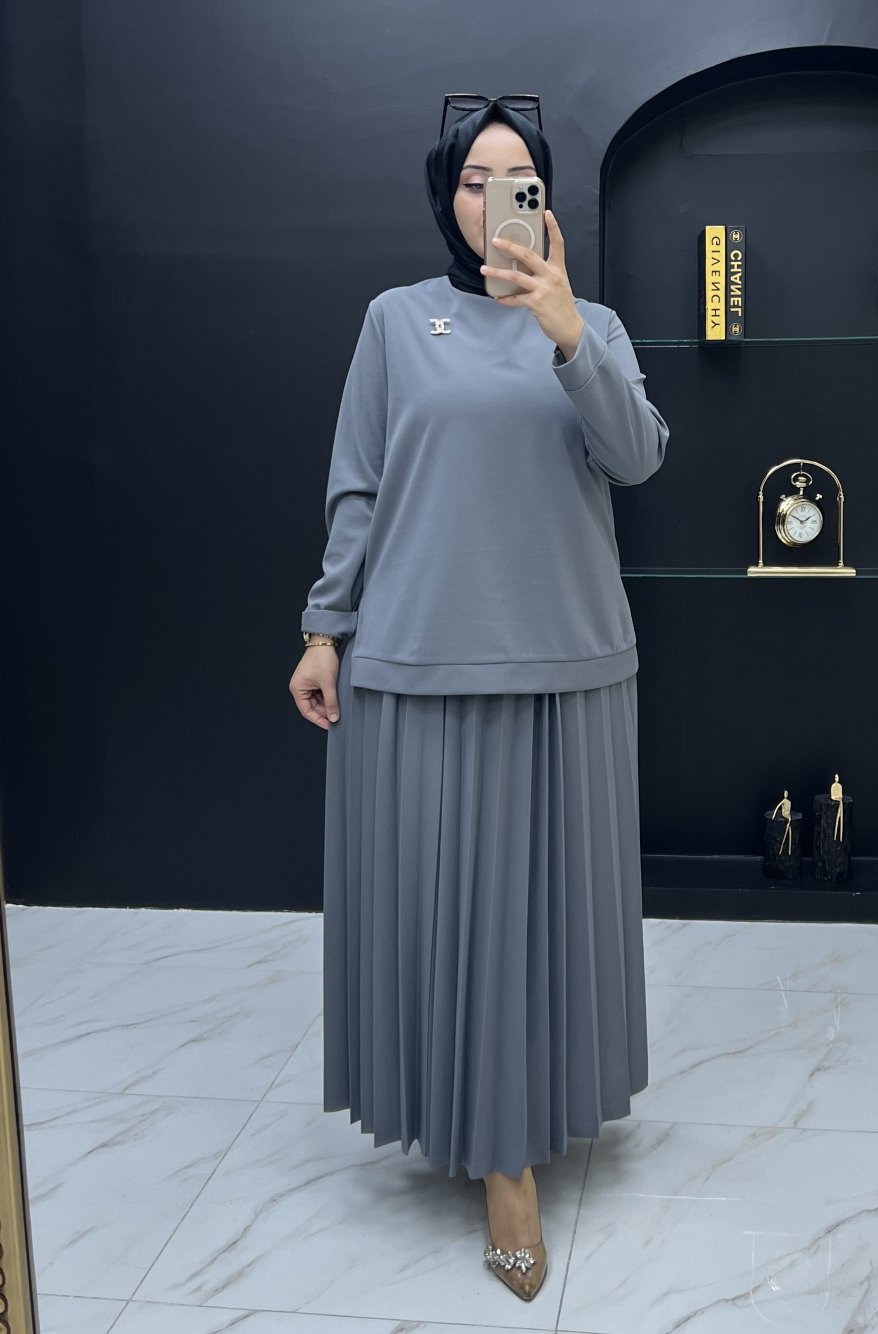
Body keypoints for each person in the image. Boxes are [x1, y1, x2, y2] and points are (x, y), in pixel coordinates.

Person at [288, 93, 669, 1302]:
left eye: (518, 179)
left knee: (543, 915)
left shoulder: (592, 323)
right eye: (473, 178)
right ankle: (470, 1126)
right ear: (445, 195)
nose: (494, 197)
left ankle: (515, 1156)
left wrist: (565, 331)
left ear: (544, 201)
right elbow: (359, 485)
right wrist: (323, 626)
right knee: (439, 909)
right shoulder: (394, 321)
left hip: (565, 659)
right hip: (416, 657)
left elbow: (638, 455)